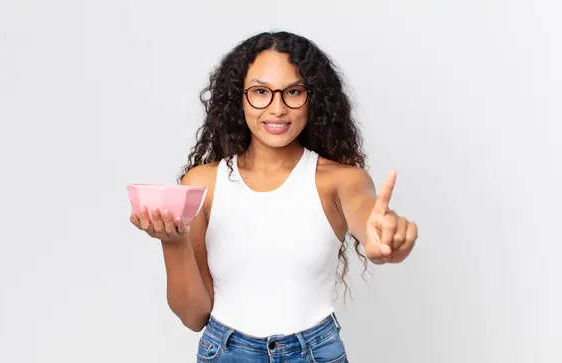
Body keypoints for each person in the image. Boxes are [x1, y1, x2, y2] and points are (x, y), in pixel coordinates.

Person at [130, 31, 418, 363]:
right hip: (225, 352)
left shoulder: (341, 181)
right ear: (238, 98)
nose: (277, 108)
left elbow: (371, 224)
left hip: (315, 353)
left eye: (293, 92)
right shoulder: (203, 183)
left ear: (314, 98)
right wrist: (173, 242)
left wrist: (385, 240)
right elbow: (194, 316)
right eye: (261, 92)